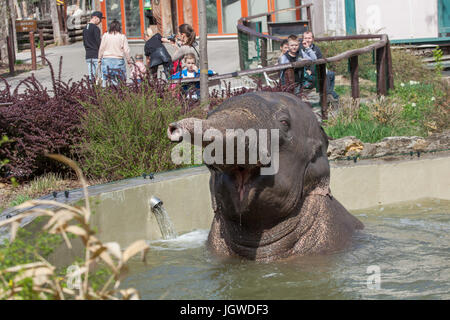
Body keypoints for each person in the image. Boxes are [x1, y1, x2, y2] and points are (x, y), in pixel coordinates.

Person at [300, 31, 339, 101]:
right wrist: (309, 70)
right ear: (302, 39)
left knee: (331, 74)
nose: (307, 40)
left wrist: (312, 70)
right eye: (305, 38)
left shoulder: (316, 48)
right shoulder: (300, 48)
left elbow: (319, 61)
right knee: (325, 76)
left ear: (313, 39)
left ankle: (329, 93)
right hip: (306, 73)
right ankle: (330, 96)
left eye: (309, 38)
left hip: (316, 69)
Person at [98, 20, 132, 86]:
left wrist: (99, 59)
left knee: (106, 79)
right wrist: (129, 61)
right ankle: (119, 92)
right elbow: (126, 51)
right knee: (121, 80)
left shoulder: (105, 36)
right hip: (118, 60)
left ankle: (105, 93)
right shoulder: (122, 37)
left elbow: (101, 48)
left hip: (106, 59)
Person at [82, 11, 103, 81]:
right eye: (100, 19)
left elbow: (84, 42)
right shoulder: (95, 28)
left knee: (91, 76)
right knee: (99, 76)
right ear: (95, 18)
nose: (101, 21)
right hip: (96, 54)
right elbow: (98, 42)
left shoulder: (85, 28)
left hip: (88, 55)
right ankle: (100, 89)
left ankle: (92, 89)